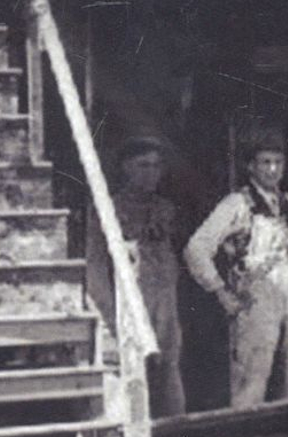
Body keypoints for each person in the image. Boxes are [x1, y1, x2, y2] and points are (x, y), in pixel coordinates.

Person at [183, 129, 288, 409]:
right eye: (265, 162)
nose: (273, 169)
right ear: (251, 166)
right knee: (252, 384)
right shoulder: (237, 204)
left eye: (278, 162)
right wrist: (221, 292)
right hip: (255, 305)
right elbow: (196, 249)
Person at [113, 137, 186, 418]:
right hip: (132, 303)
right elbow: (97, 264)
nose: (151, 172)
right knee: (135, 372)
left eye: (156, 166)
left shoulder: (166, 209)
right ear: (126, 168)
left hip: (165, 302)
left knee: (169, 368)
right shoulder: (112, 209)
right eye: (143, 165)